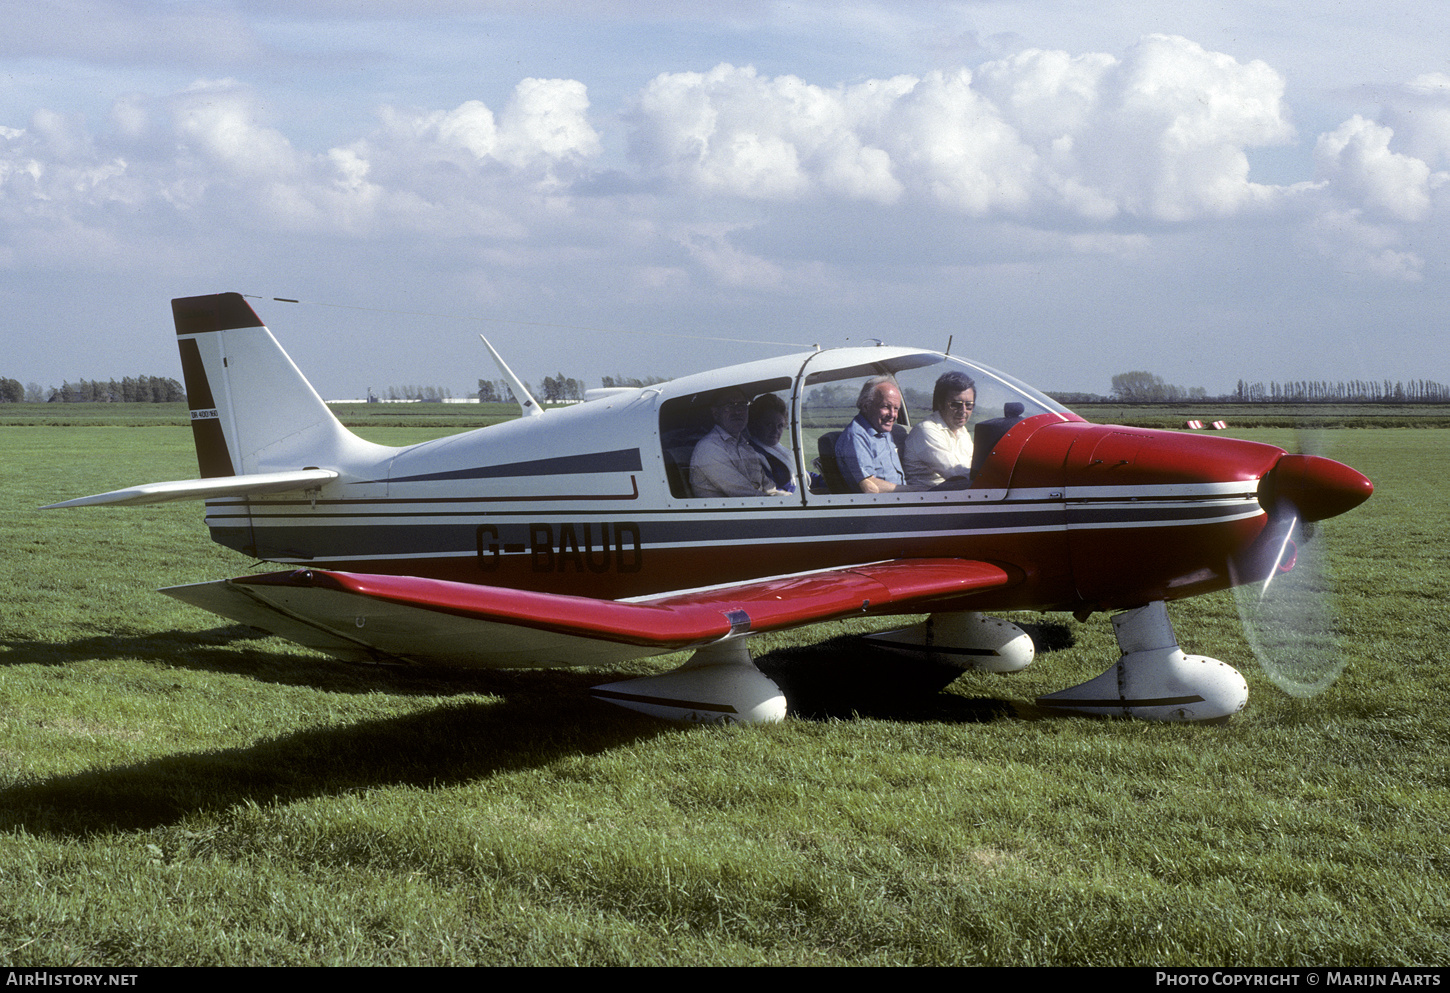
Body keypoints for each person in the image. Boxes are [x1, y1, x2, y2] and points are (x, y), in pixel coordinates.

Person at [690, 387, 784, 497]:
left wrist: (787, 496)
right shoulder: (708, 448)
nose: (738, 411)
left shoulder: (746, 447)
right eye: (730, 405)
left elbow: (770, 489)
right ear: (715, 413)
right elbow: (744, 495)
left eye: (742, 405)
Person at [834, 376, 908, 493]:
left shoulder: (882, 429)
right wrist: (914, 491)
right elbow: (870, 486)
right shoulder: (856, 436)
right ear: (866, 406)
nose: (892, 415)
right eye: (885, 407)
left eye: (896, 408)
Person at [904, 371, 976, 487]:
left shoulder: (963, 432)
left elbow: (971, 468)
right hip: (927, 499)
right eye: (956, 404)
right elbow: (956, 474)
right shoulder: (926, 430)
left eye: (969, 405)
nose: (963, 411)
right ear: (941, 404)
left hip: (951, 495)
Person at [747, 393, 796, 493]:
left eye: (780, 426)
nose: (775, 431)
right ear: (755, 424)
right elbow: (774, 489)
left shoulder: (777, 449)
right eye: (769, 425)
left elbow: (803, 474)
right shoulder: (754, 454)